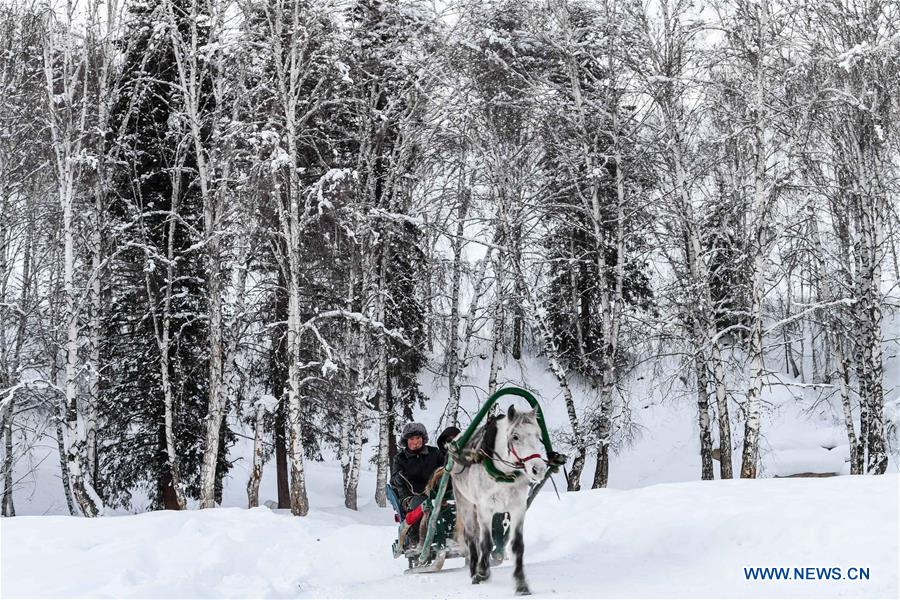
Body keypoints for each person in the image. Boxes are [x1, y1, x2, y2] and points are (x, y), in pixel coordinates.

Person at [389, 423, 460, 548]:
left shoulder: (434, 453)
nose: (415, 442)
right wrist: (399, 478)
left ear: (423, 439)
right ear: (406, 441)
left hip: (436, 491)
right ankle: (417, 539)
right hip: (411, 495)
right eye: (412, 439)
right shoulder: (400, 459)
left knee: (455, 499)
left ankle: (456, 532)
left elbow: (446, 468)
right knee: (422, 503)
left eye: (418, 438)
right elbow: (394, 479)